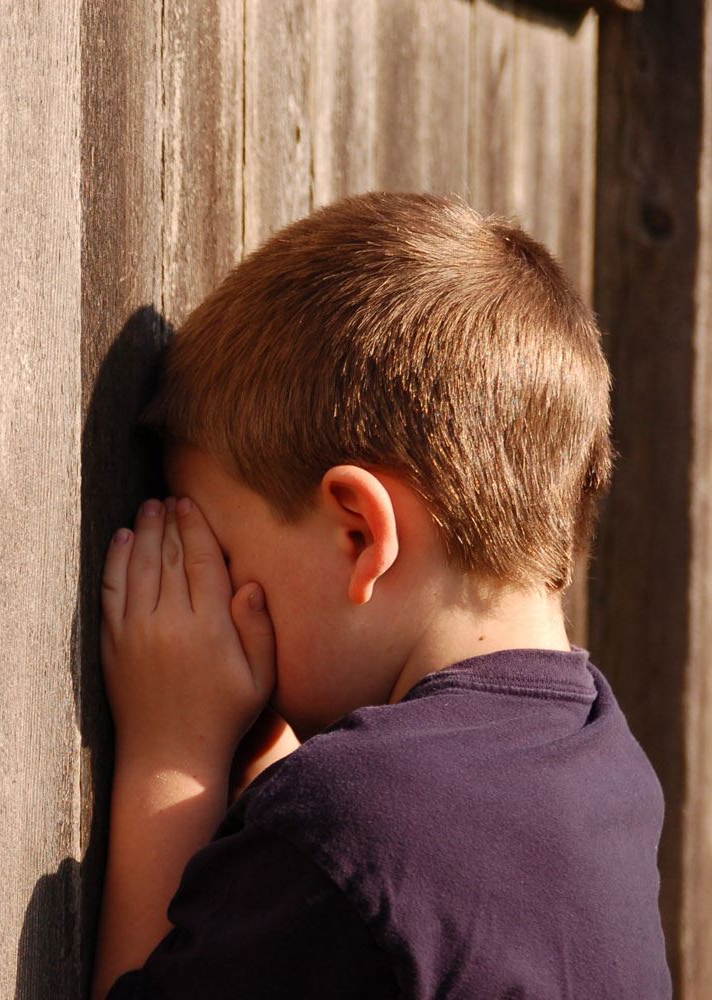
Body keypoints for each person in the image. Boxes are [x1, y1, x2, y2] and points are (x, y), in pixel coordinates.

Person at [90, 191, 672, 999]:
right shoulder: (608, 768)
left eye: (222, 555)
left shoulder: (349, 829)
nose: (216, 596)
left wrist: (172, 756)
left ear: (360, 534)